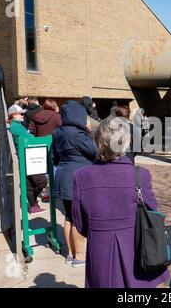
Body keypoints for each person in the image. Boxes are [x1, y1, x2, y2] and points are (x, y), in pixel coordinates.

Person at [72, 117, 171, 288]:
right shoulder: (141, 175)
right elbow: (153, 212)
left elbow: (80, 225)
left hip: (100, 249)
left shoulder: (81, 176)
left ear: (97, 142)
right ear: (126, 143)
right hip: (137, 250)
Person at [52, 101, 97, 267]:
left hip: (63, 178)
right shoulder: (78, 135)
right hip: (78, 180)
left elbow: (54, 158)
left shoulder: (58, 133)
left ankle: (70, 254)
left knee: (69, 217)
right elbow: (95, 153)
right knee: (79, 219)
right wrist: (89, 133)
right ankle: (79, 256)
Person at [7, 105, 47, 214]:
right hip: (28, 157)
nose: (23, 115)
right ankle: (33, 203)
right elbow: (29, 139)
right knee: (42, 181)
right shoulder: (16, 127)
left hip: (25, 156)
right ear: (14, 115)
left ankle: (33, 206)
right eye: (21, 114)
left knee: (30, 184)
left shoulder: (16, 125)